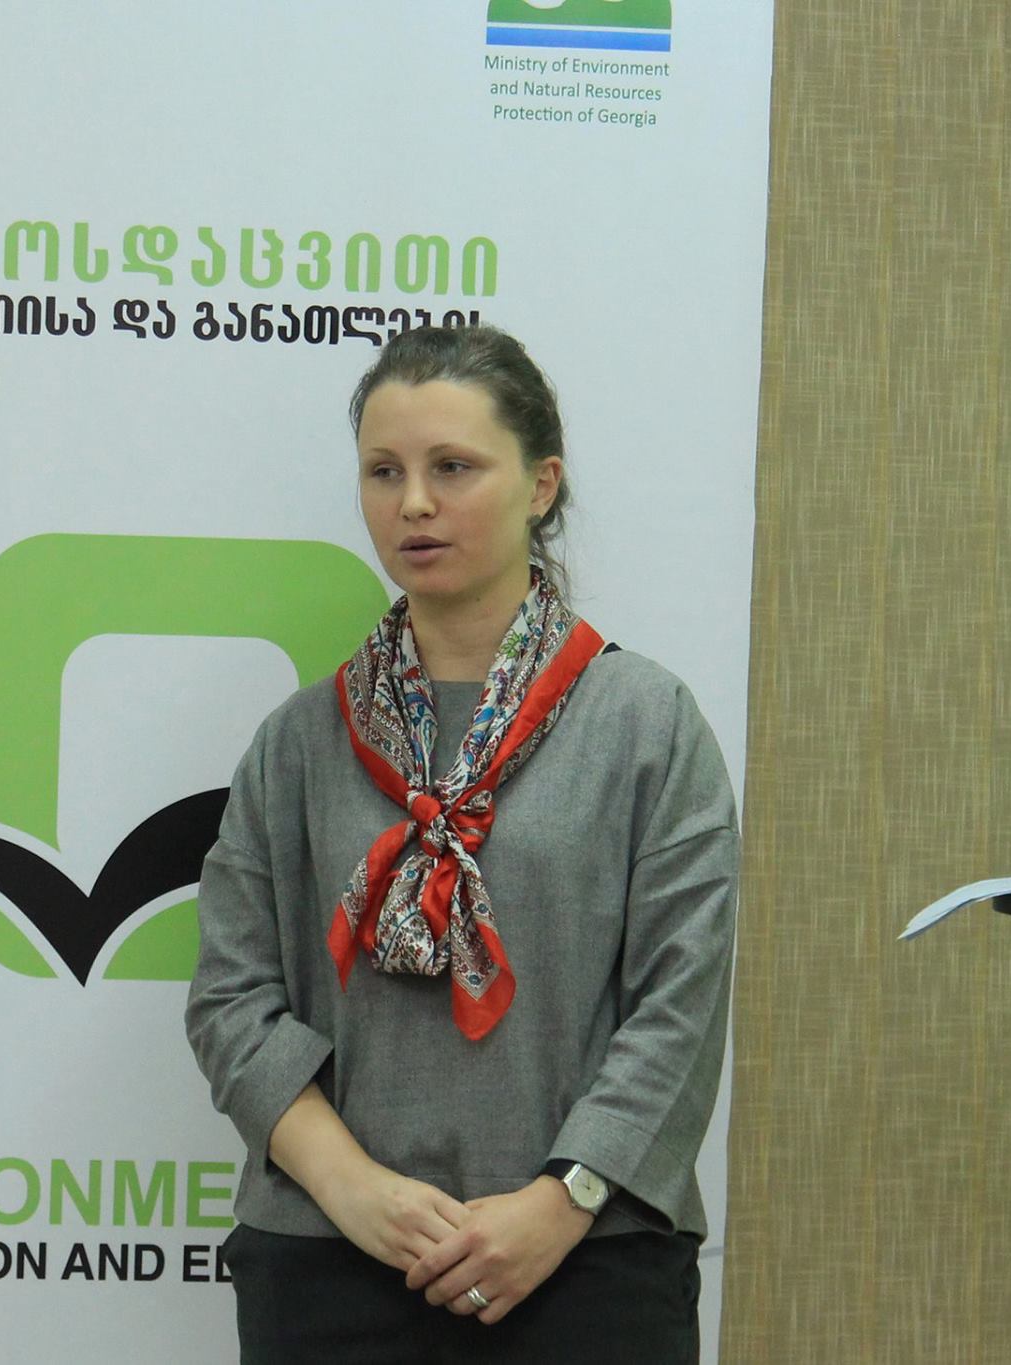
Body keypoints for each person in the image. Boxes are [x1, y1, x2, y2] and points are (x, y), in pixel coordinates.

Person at [185, 325, 738, 1363]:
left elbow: (682, 1005)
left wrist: (560, 1201)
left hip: (588, 1261)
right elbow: (229, 999)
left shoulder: (644, 724)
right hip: (326, 1262)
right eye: (383, 472)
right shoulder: (299, 743)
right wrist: (356, 1191)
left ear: (540, 485)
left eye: (452, 467)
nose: (413, 504)